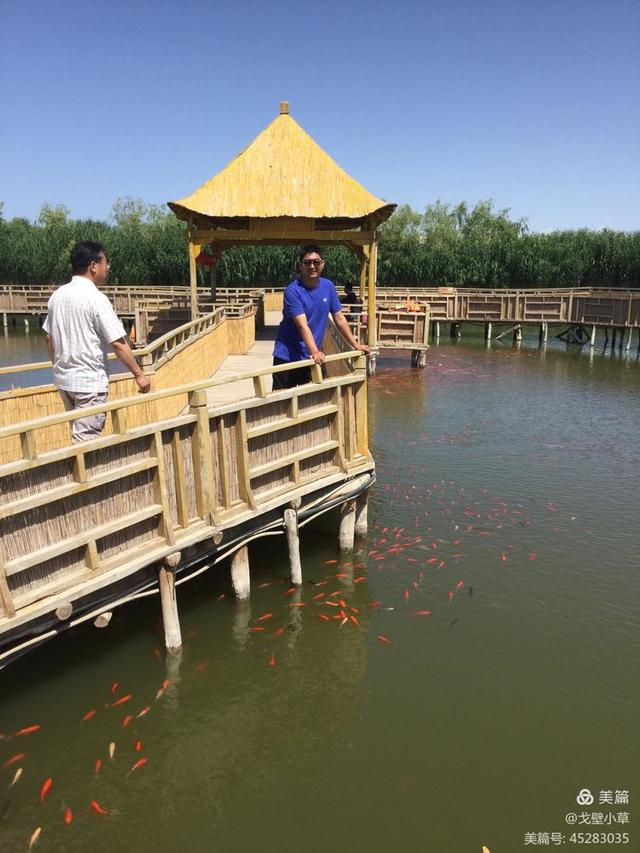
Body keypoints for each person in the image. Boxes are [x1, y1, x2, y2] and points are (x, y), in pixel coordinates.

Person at [43, 241, 151, 442]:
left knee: (77, 435)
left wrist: (58, 365)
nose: (107, 268)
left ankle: (77, 470)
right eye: (105, 263)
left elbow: (49, 338)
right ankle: (81, 473)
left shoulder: (57, 296)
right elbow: (118, 343)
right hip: (88, 383)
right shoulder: (96, 298)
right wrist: (139, 374)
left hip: (64, 381)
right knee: (86, 442)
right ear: (94, 266)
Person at [272, 245, 370, 390]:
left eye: (316, 262)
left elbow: (339, 318)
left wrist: (355, 345)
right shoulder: (292, 291)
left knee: (312, 402)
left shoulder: (328, 286)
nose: (312, 266)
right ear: (300, 266)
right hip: (288, 356)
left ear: (322, 264)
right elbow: (302, 326)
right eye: (307, 262)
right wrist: (315, 352)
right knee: (282, 404)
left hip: (311, 356)